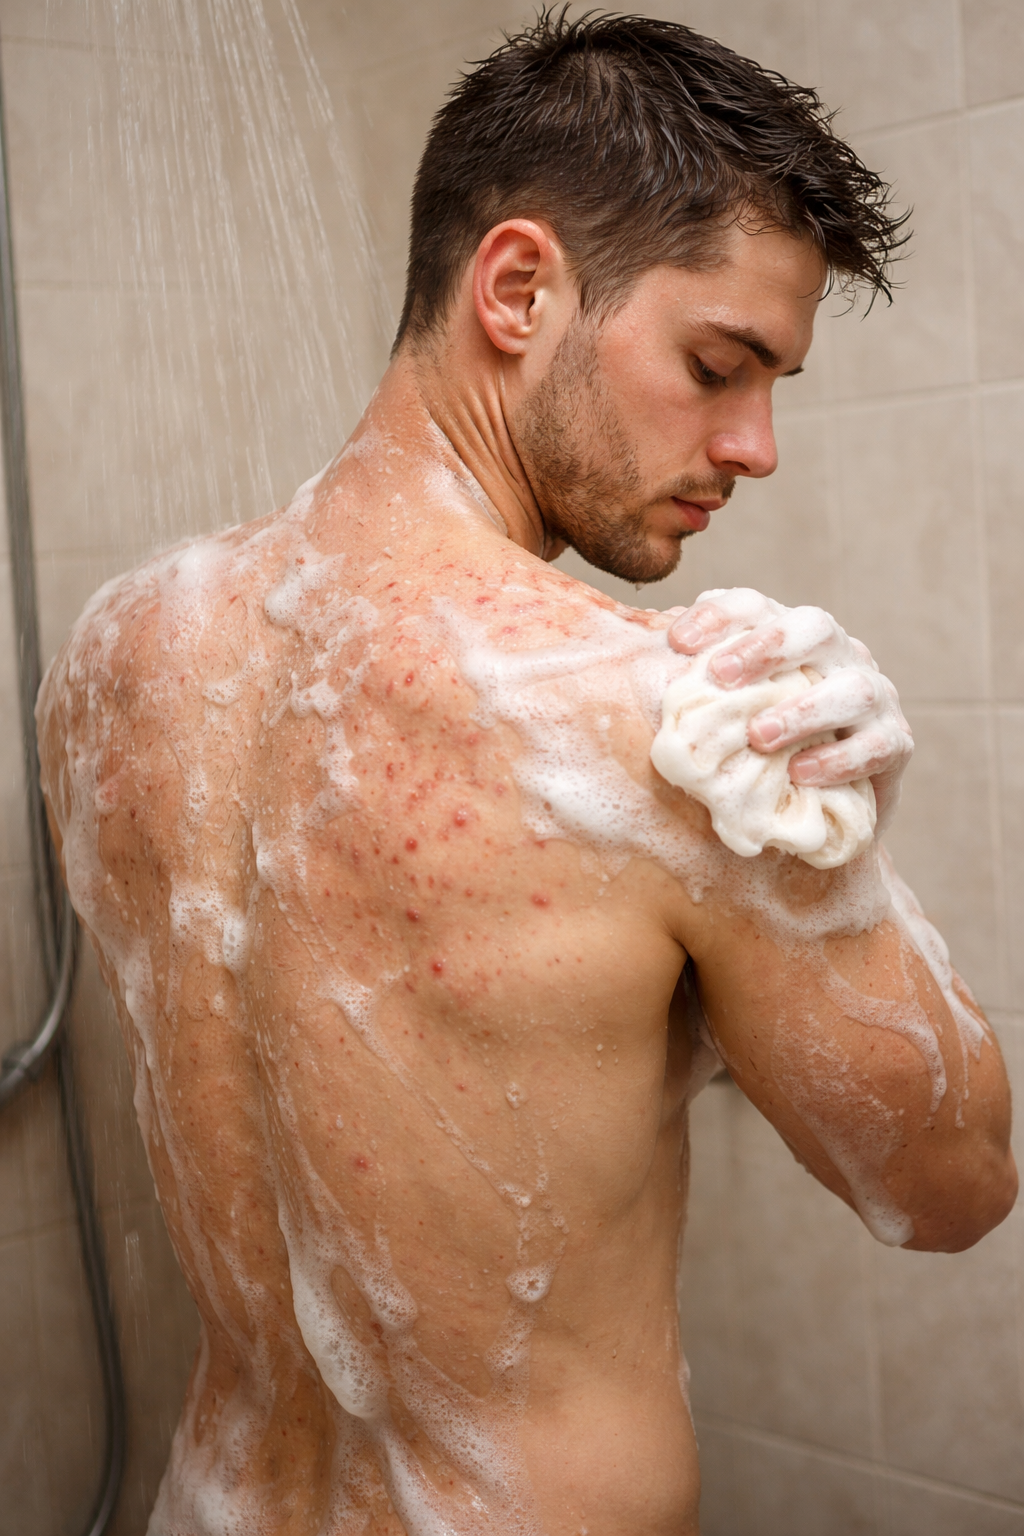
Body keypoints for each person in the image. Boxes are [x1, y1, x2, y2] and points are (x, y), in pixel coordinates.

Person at [37, 12, 1015, 1536]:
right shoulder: (657, 725)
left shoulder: (113, 663)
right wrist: (839, 867)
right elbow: (953, 1186)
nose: (756, 446)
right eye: (719, 363)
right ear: (516, 288)